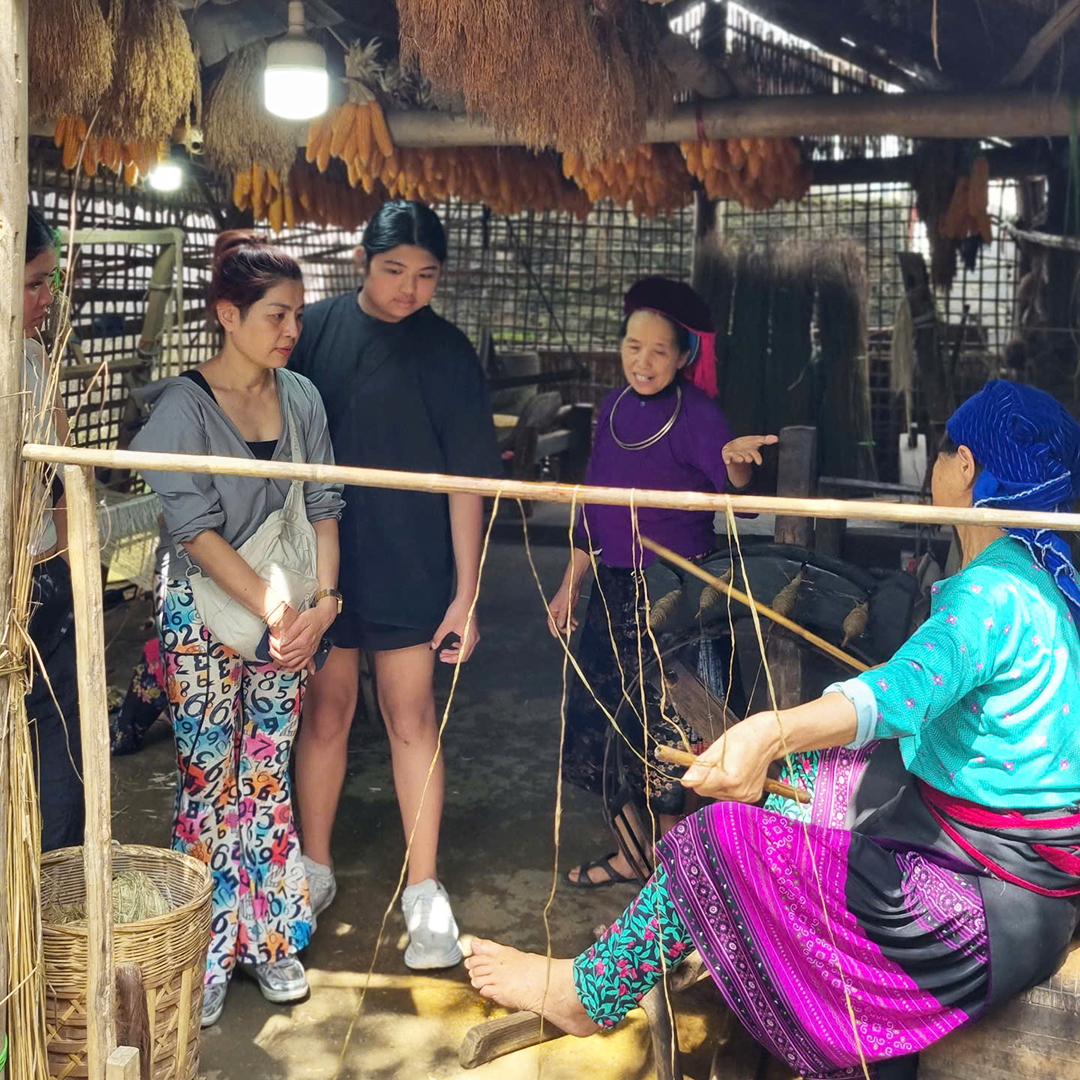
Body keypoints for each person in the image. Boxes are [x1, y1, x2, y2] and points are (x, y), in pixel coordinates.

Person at [466, 380, 1080, 1080]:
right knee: (810, 784)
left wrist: (768, 732)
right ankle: (690, 925)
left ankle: (589, 993)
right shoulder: (1037, 574)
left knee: (718, 835)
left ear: (965, 468)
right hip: (1018, 880)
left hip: (983, 913)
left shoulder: (992, 595)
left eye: (945, 453)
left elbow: (902, 693)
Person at [131, 232, 344, 1028]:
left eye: (296, 315)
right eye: (276, 315)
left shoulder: (304, 399)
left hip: (289, 617)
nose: (291, 330)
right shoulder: (181, 408)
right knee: (209, 781)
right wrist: (278, 608)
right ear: (228, 315)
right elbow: (196, 533)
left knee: (264, 772)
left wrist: (325, 604)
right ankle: (208, 949)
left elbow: (326, 506)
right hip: (206, 614)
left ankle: (272, 938)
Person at [287, 201, 500, 969]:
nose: (410, 290)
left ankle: (424, 888)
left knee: (410, 716)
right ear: (359, 258)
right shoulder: (310, 334)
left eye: (426, 275)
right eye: (393, 271)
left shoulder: (447, 353)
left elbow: (467, 481)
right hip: (325, 562)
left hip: (413, 560)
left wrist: (466, 595)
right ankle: (312, 868)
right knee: (326, 711)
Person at [547, 276, 774, 888]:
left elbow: (735, 483)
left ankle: (678, 891)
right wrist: (572, 583)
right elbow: (594, 505)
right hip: (614, 594)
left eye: (657, 352)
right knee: (599, 727)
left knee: (673, 740)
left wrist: (735, 463)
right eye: (631, 347)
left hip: (677, 600)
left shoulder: (699, 416)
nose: (641, 362)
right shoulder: (613, 410)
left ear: (682, 358)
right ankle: (635, 856)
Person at [22, 204, 84, 852]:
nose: (49, 297)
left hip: (39, 582)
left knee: (58, 751)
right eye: (34, 282)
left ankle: (52, 895)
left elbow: (64, 480)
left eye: (51, 280)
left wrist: (63, 564)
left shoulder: (35, 359)